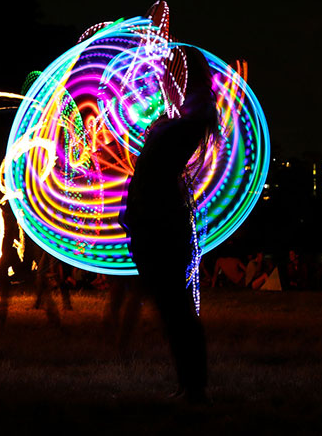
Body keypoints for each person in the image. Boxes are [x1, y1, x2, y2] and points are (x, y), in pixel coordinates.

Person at [120, 44, 218, 403]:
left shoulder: (190, 121)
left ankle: (194, 387)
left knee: (176, 309)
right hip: (151, 220)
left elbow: (156, 170)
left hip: (161, 222)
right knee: (171, 309)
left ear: (185, 75)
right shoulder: (178, 118)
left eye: (169, 68)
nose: (160, 73)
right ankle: (189, 385)